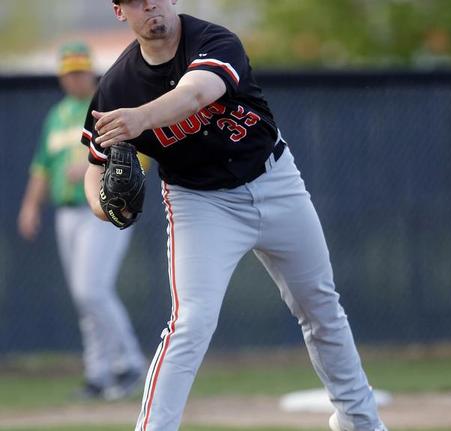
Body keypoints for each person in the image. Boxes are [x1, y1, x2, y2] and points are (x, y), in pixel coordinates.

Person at [81, 1, 387, 430]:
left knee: (320, 306)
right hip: (200, 204)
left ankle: (361, 423)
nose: (149, 3)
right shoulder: (118, 87)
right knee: (190, 323)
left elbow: (197, 93)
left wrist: (139, 119)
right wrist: (104, 206)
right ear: (120, 12)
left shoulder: (213, 40)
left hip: (274, 180)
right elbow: (94, 165)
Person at [17, 41, 146, 400]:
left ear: (91, 70)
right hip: (66, 213)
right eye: (68, 72)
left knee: (92, 290)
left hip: (102, 211)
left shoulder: (106, 104)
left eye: (79, 71)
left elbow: (134, 157)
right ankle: (98, 374)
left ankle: (130, 362)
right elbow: (41, 167)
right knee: (84, 297)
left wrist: (95, 166)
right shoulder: (57, 116)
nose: (74, 78)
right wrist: (30, 206)